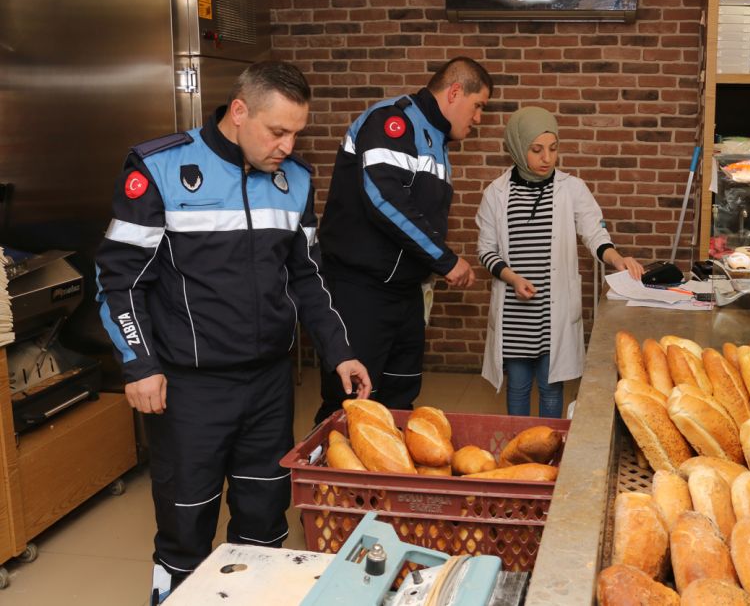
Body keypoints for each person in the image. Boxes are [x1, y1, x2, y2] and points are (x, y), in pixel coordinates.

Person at [94, 61, 371, 604]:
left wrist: (340, 352)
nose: (287, 146)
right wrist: (140, 362)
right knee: (186, 531)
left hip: (268, 389)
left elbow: (308, 277)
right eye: (277, 131)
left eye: (297, 133)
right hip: (188, 391)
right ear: (239, 112)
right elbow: (119, 279)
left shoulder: (295, 181)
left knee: (266, 526)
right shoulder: (160, 168)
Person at [314, 57, 492, 420]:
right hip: (360, 291)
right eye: (478, 107)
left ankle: (388, 477)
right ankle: (326, 479)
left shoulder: (437, 141)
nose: (478, 119)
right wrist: (443, 260)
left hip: (404, 294)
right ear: (455, 92)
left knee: (399, 399)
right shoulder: (391, 121)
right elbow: (383, 199)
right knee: (349, 406)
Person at [476, 106, 643, 418]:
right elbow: (486, 250)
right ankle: (523, 456)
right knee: (519, 385)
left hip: (553, 311)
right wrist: (511, 278)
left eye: (553, 149)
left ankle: (551, 460)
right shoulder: (496, 193)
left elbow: (594, 233)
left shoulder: (571, 189)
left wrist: (615, 257)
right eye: (536, 150)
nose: (547, 159)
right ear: (516, 147)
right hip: (515, 313)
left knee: (552, 387)